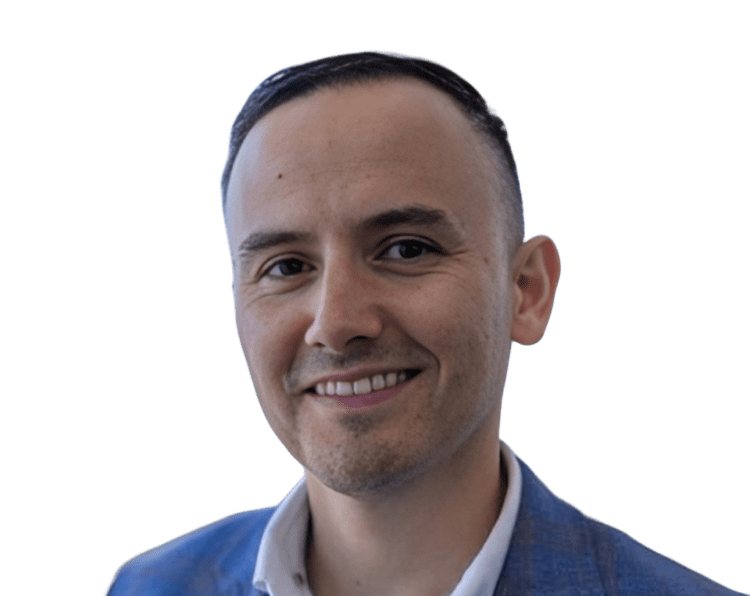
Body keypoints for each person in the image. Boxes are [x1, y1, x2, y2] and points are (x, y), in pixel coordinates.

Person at [102, 50, 743, 596]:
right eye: (287, 266)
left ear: (527, 291)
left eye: (406, 249)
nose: (336, 322)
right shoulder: (147, 588)